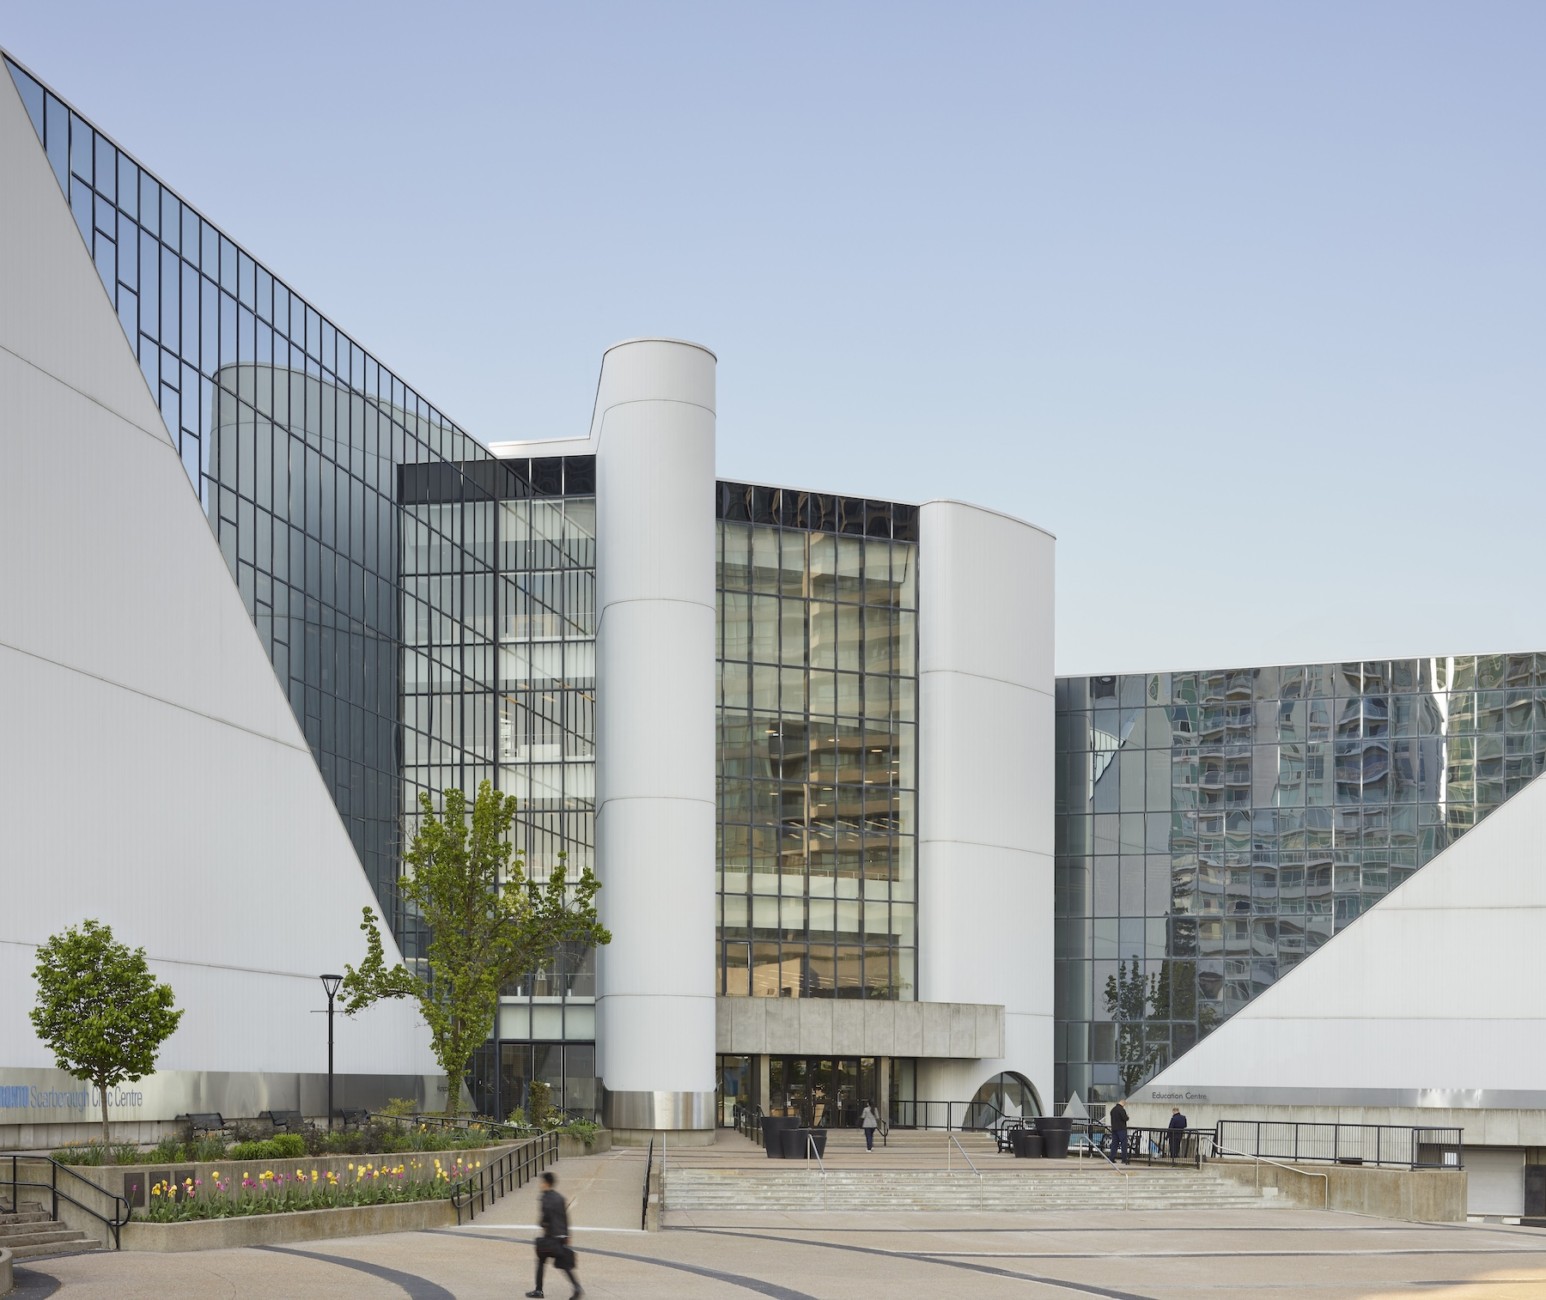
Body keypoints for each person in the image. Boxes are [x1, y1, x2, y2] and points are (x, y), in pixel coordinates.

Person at [527, 1170, 581, 1299]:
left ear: (546, 1183)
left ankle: (539, 1290)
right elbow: (565, 1218)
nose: (540, 1184)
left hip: (550, 1238)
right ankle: (576, 1287)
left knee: (541, 1261)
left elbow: (545, 1218)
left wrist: (542, 1223)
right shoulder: (560, 1198)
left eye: (542, 1182)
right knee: (564, 1265)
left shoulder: (544, 1198)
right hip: (561, 1237)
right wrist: (567, 1235)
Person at [1109, 1099, 1130, 1165]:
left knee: (1114, 1144)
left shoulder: (1113, 1110)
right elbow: (1125, 1118)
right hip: (1121, 1129)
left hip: (1114, 1129)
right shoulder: (1121, 1110)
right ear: (1123, 1103)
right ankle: (1124, 1159)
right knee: (1124, 1144)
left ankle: (1111, 1158)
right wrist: (1127, 1116)